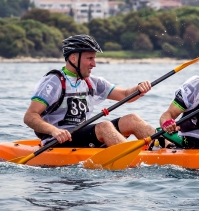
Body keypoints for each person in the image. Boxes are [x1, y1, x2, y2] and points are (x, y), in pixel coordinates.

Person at [24, 34, 157, 148]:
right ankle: (136, 159)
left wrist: (138, 89)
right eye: (90, 59)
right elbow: (30, 117)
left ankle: (166, 147)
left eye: (94, 59)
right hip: (58, 140)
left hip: (82, 134)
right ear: (73, 58)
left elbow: (125, 95)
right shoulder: (54, 82)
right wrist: (54, 131)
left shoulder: (91, 81)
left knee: (132, 119)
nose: (94, 64)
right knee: (104, 126)